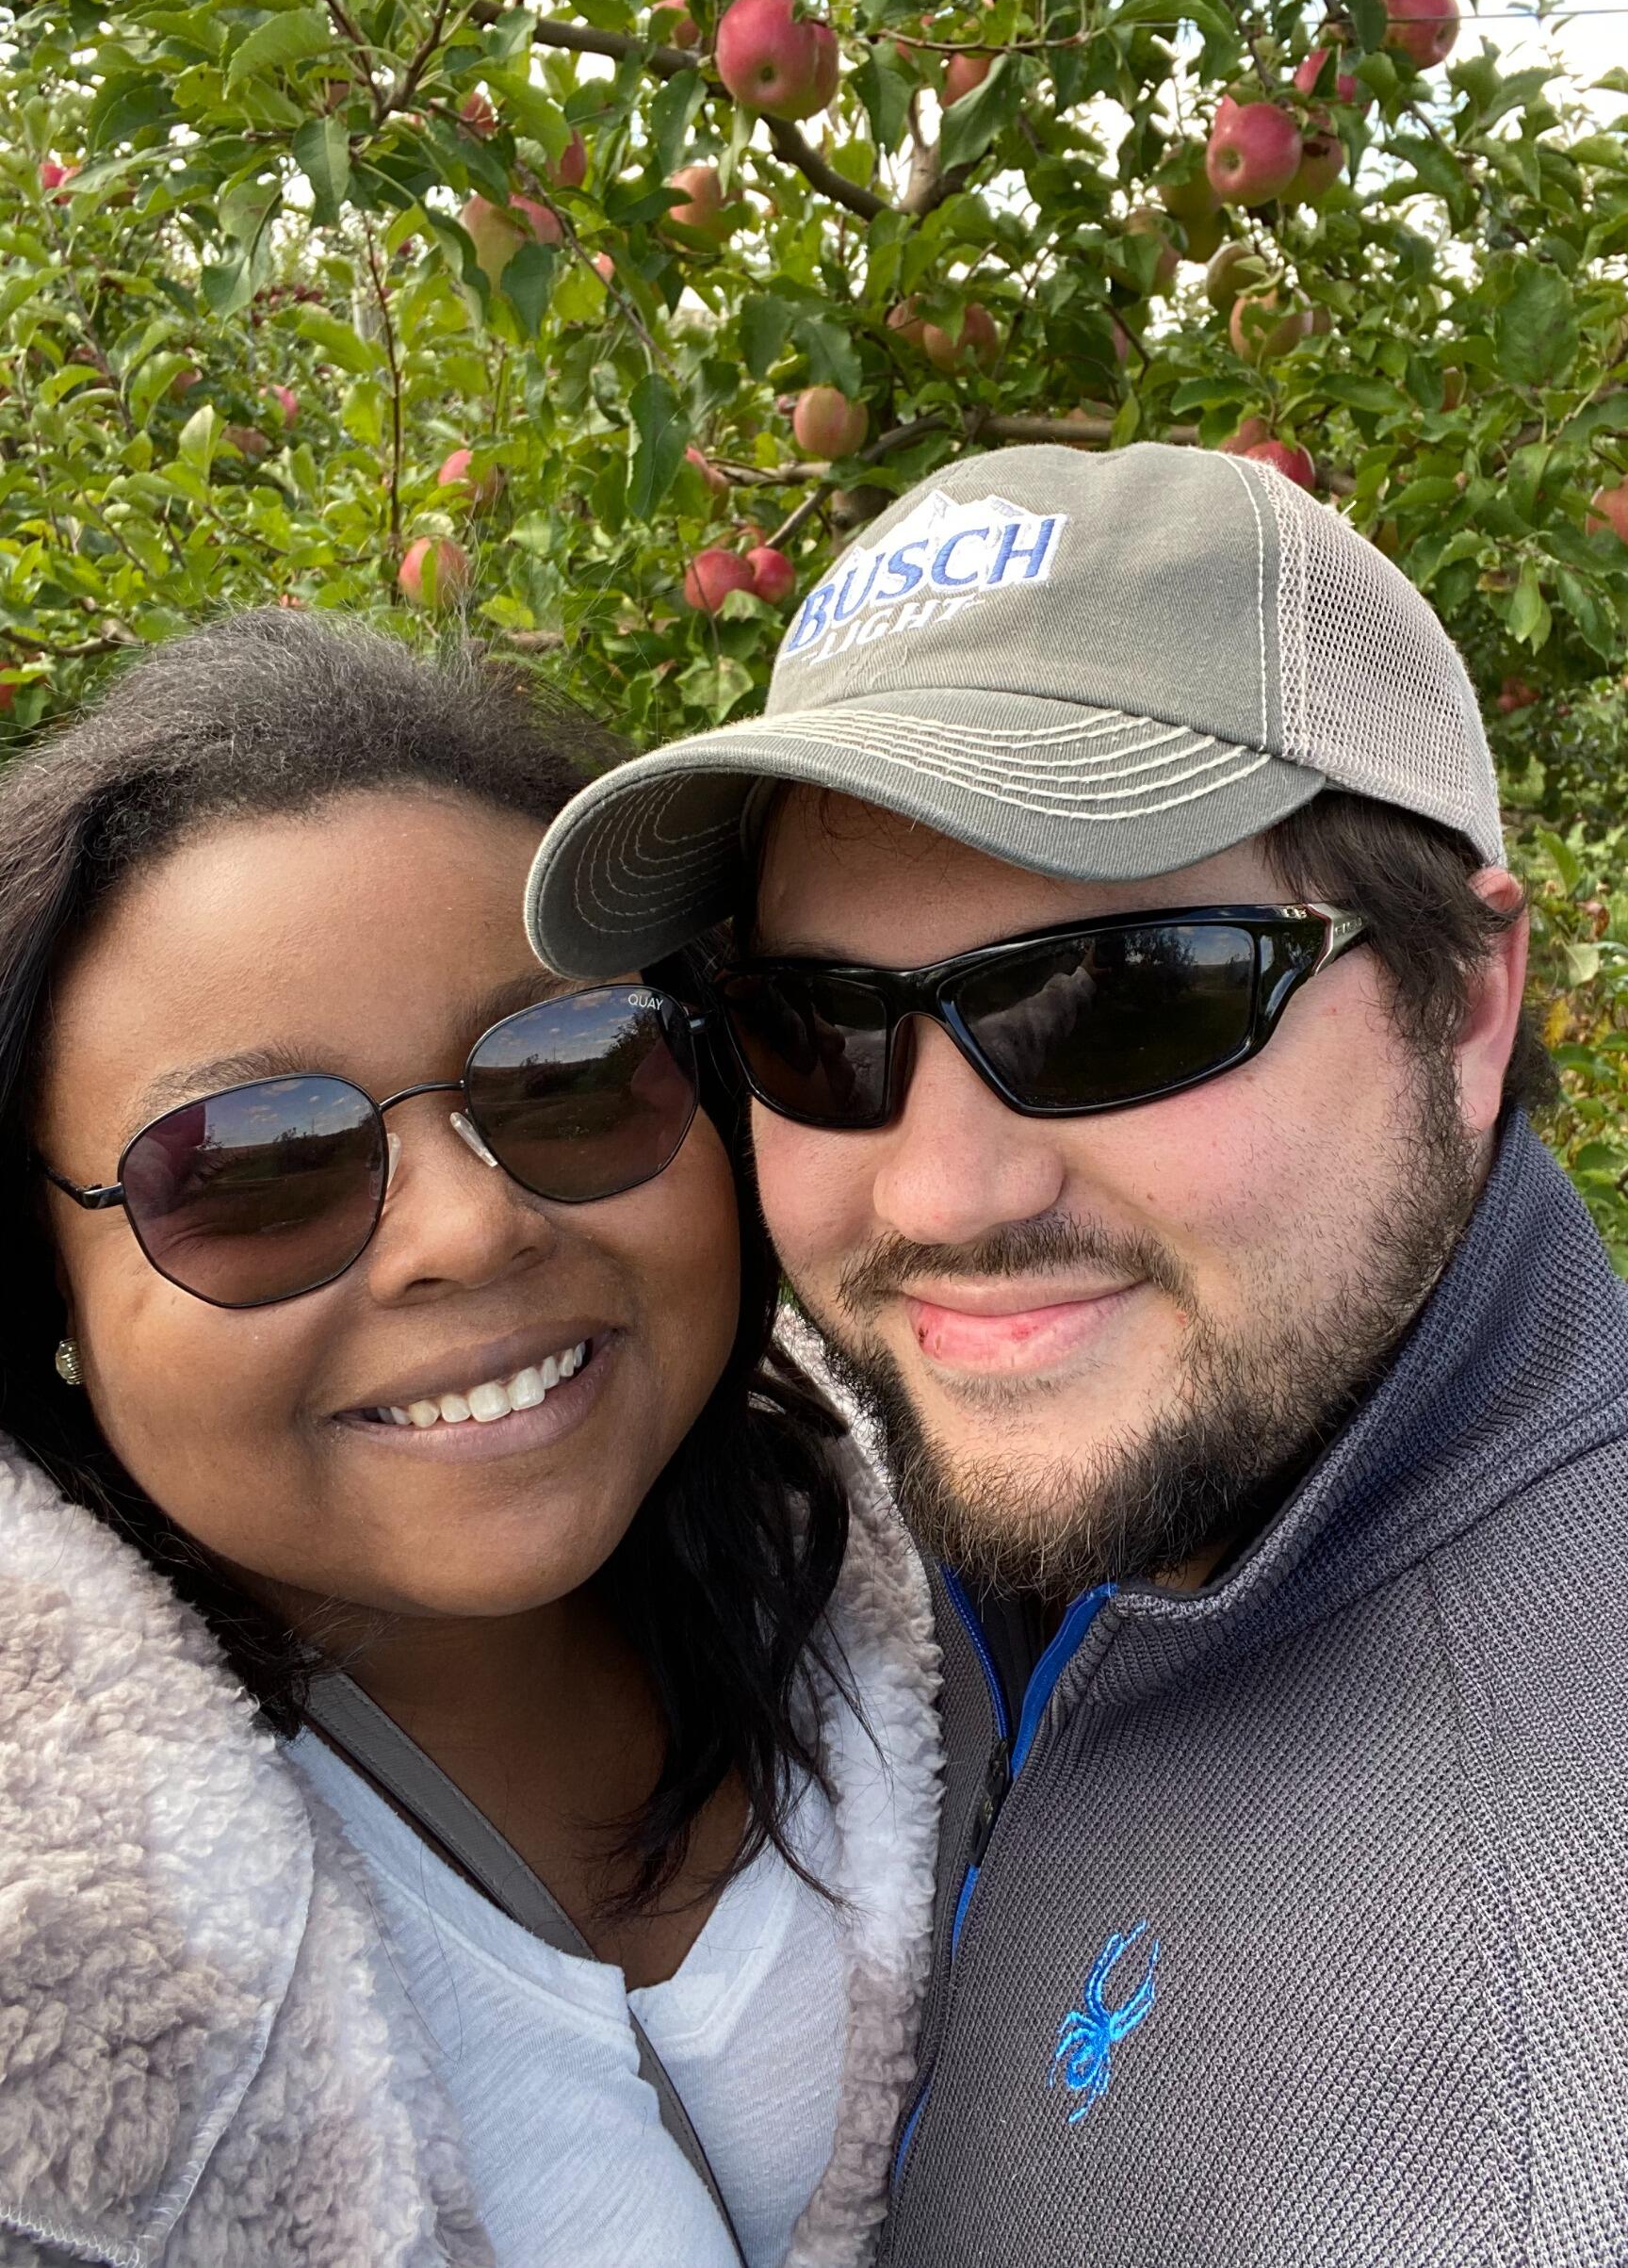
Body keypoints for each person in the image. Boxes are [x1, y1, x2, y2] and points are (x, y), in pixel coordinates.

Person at [526, 443, 1628, 2266]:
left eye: (1124, 996)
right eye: (816, 1029)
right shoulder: (848, 1529)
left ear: (1468, 1003)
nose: (943, 1190)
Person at [0, 612, 941, 2268]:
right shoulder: (47, 1963)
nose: (468, 1232)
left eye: (572, 1071)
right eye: (250, 1169)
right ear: (46, 1286)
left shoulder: (972, 1576)